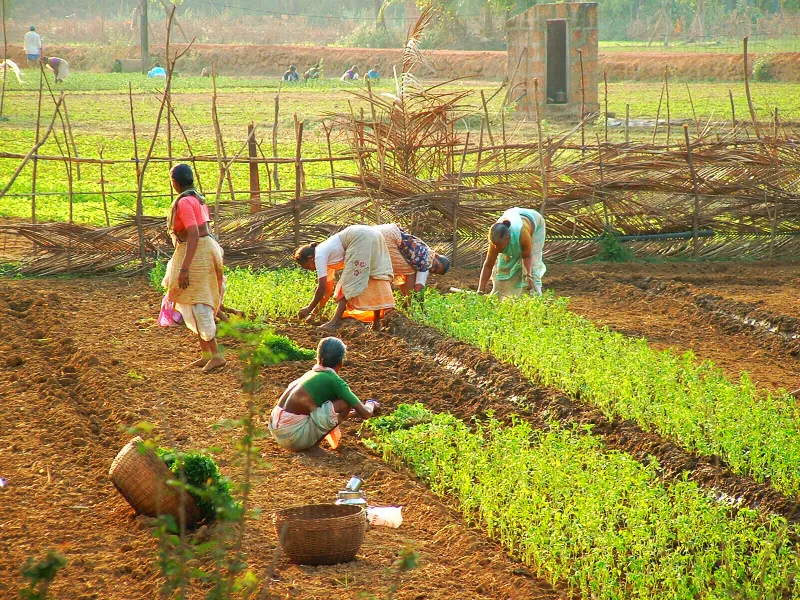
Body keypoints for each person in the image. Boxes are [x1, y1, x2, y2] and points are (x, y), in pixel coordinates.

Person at [160, 164, 226, 373]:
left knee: (199, 303)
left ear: (175, 182)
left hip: (197, 252)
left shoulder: (186, 202)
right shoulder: (196, 198)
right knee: (190, 299)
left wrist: (185, 268)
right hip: (200, 250)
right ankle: (207, 354)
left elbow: (195, 233)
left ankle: (216, 356)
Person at [269, 337, 379, 456]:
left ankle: (308, 442)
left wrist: (351, 414)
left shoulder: (311, 374)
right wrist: (371, 404)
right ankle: (313, 447)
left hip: (277, 430)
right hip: (292, 438)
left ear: (318, 358)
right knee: (345, 402)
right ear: (341, 361)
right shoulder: (335, 381)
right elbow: (366, 413)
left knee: (329, 404)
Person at [294, 225, 394, 331]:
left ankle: (334, 322)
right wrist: (313, 315)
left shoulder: (319, 255)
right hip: (375, 235)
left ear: (310, 259)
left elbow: (321, 288)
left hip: (361, 237)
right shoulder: (325, 256)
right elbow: (327, 291)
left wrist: (308, 308)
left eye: (307, 267)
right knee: (373, 277)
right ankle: (376, 324)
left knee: (347, 284)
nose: (311, 270)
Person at [478, 207, 546, 297]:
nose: (496, 248)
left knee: (533, 266)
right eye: (494, 245)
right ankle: (500, 296)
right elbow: (488, 265)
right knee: (501, 267)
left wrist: (528, 275)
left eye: (499, 245)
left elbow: (526, 256)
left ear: (508, 238)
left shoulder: (522, 235)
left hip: (534, 221)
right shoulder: (495, 240)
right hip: (512, 215)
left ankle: (534, 296)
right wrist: (480, 290)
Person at [374, 223, 450, 295]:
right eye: (436, 266)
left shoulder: (424, 249)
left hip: (380, 230)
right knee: (410, 272)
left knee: (406, 272)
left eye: (435, 272)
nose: (432, 269)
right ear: (436, 256)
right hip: (388, 238)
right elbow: (418, 288)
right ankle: (409, 304)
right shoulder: (426, 261)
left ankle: (407, 302)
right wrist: (421, 306)